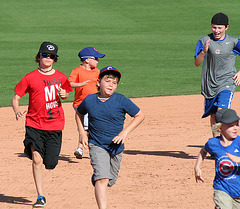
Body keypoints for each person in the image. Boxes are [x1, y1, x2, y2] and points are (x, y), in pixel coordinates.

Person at [12, 41, 72, 208]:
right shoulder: (30, 77)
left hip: (55, 124)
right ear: (38, 57)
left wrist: (64, 94)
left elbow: (66, 94)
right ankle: (40, 195)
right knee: (37, 160)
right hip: (34, 123)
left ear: (55, 59)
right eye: (45, 55)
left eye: (51, 56)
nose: (48, 58)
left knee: (50, 163)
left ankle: (36, 152)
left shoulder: (61, 77)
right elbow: (16, 97)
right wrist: (17, 109)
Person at [76, 66, 145, 209]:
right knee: (102, 178)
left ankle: (98, 178)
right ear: (98, 82)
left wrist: (124, 133)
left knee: (110, 181)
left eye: (114, 83)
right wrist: (82, 132)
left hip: (116, 147)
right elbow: (79, 113)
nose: (111, 85)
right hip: (97, 144)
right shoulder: (89, 100)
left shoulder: (121, 100)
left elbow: (140, 115)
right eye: (107, 81)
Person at [194, 12, 240, 137]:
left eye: (220, 28)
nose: (217, 30)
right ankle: (216, 143)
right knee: (214, 115)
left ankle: (227, 141)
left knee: (221, 112)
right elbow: (196, 63)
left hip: (227, 81)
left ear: (227, 27)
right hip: (210, 84)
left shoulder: (233, 42)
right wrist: (203, 52)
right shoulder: (204, 40)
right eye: (214, 27)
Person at [194, 108, 240, 209]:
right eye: (230, 126)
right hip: (222, 188)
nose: (235, 128)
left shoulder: (239, 142)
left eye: (237, 124)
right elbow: (203, 151)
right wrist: (197, 167)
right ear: (219, 128)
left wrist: (238, 159)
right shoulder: (213, 143)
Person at [69, 47, 105, 159]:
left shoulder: (98, 72)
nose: (98, 61)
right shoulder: (77, 71)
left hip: (94, 104)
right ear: (87, 60)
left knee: (88, 127)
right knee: (85, 128)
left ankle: (81, 148)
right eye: (96, 58)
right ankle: (83, 148)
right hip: (79, 104)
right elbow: (69, 83)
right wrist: (79, 84)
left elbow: (103, 83)